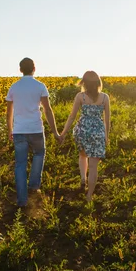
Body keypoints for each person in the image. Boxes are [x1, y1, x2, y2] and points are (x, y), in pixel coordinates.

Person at [6, 58, 60, 208]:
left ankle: (22, 200)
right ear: (34, 68)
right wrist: (55, 132)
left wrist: (10, 130)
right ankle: (34, 186)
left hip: (19, 130)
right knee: (39, 154)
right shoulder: (40, 86)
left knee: (20, 164)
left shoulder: (14, 87)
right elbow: (48, 110)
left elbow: (9, 112)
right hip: (36, 129)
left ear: (20, 70)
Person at [59, 71, 110, 202]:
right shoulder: (105, 98)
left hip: (82, 131)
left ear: (84, 83)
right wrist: (106, 136)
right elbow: (107, 120)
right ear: (99, 83)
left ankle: (83, 179)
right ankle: (89, 196)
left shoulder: (80, 97)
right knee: (93, 166)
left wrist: (63, 133)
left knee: (82, 155)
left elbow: (72, 117)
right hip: (98, 133)